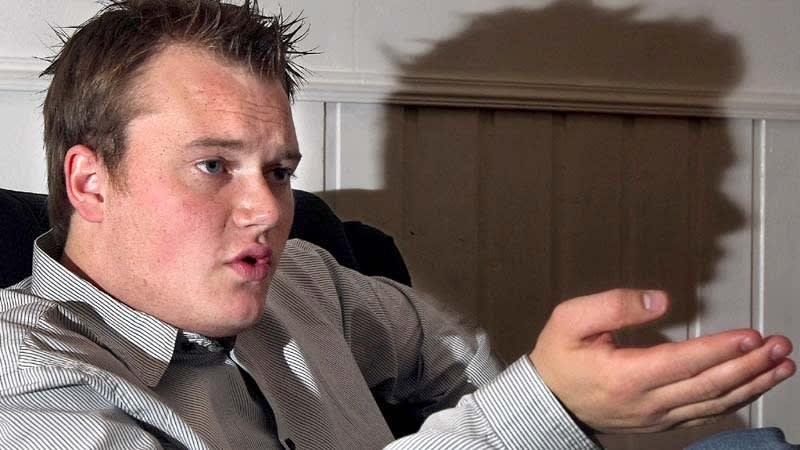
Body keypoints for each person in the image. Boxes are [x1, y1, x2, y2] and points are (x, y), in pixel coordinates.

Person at [0, 1, 795, 448]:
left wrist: (558, 393)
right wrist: (547, 408)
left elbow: (448, 352)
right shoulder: (26, 378)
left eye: (279, 170)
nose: (268, 211)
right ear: (91, 182)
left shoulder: (306, 279)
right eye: (214, 165)